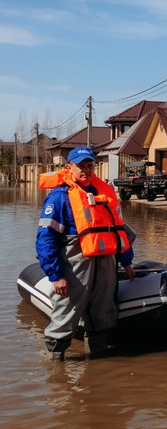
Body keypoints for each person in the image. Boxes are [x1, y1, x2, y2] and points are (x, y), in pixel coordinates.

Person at [35, 146, 135, 360]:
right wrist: (56, 275)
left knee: (102, 318)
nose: (86, 170)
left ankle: (96, 367)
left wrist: (126, 262)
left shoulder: (105, 194)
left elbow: (119, 231)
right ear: (69, 167)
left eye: (90, 166)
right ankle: (55, 369)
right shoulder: (59, 198)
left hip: (105, 266)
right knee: (65, 315)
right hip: (76, 267)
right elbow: (46, 239)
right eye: (81, 166)